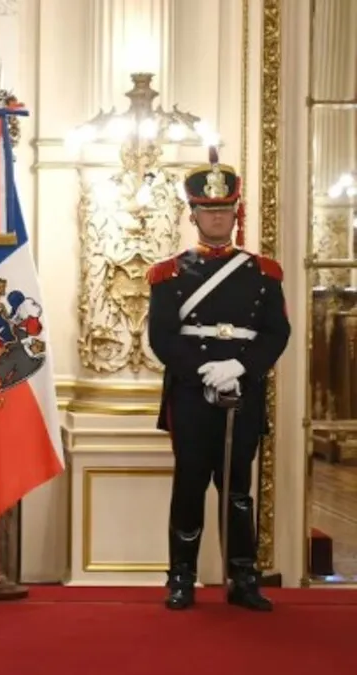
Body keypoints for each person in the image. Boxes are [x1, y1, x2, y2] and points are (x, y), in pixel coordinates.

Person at [146, 147, 291, 612]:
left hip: (242, 395)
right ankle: (182, 578)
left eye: (225, 209)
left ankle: (243, 579)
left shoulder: (264, 274)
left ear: (236, 212)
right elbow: (163, 337)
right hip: (191, 395)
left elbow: (277, 332)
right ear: (193, 214)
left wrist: (241, 368)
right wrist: (204, 370)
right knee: (189, 485)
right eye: (208, 210)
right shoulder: (169, 274)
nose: (217, 217)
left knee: (238, 491)